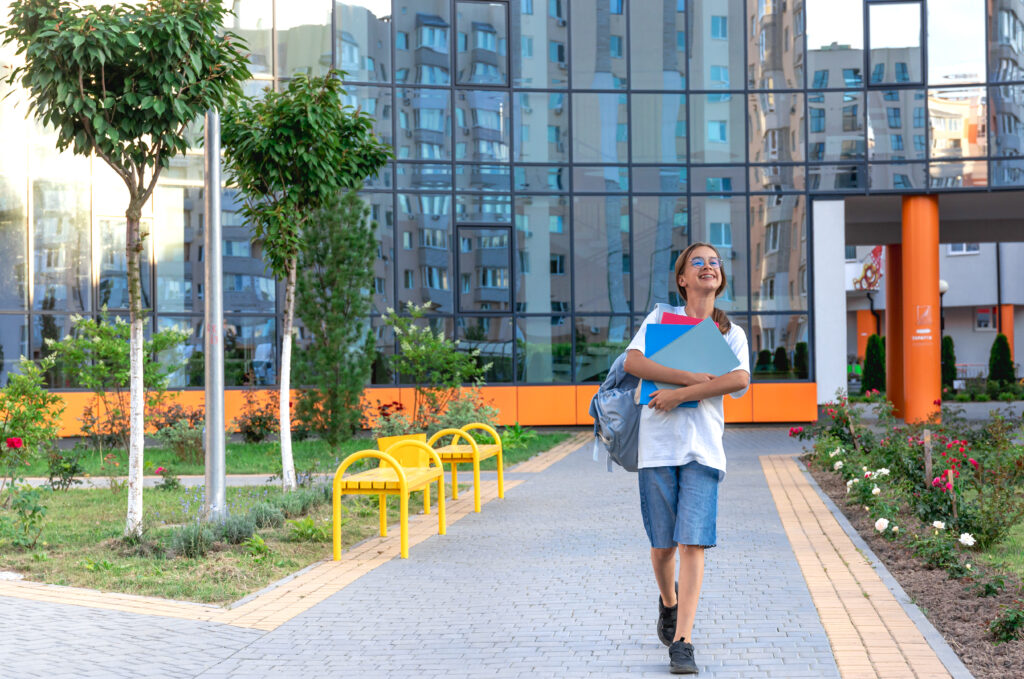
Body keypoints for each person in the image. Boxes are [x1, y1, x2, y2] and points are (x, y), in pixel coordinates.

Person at [623, 242, 750, 675]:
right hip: (657, 447)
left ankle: (683, 640)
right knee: (663, 548)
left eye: (714, 262)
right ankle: (668, 600)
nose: (707, 267)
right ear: (682, 279)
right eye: (698, 262)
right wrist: (687, 377)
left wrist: (682, 395)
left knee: (692, 541)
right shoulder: (660, 320)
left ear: (721, 278)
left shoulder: (730, 333)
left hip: (704, 449)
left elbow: (738, 380)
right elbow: (634, 361)